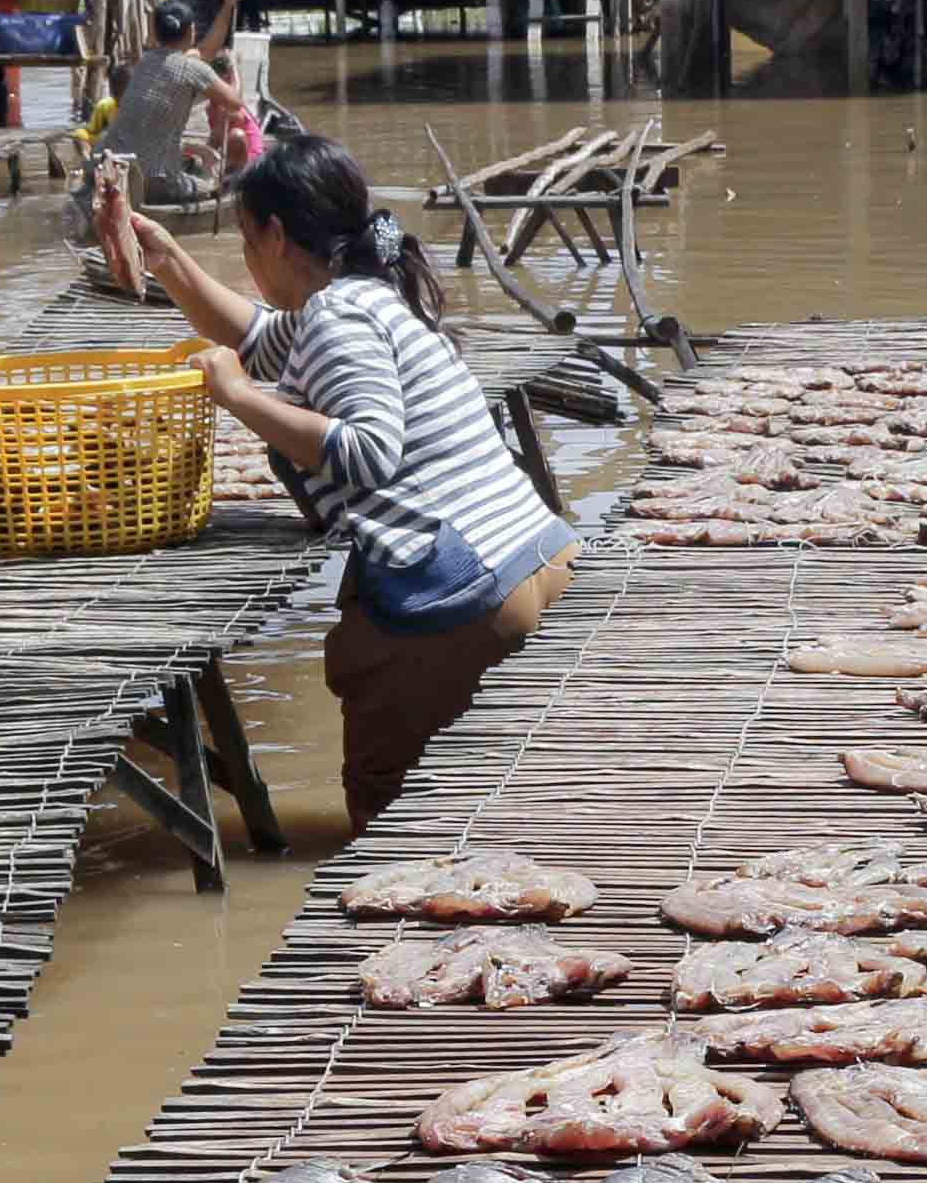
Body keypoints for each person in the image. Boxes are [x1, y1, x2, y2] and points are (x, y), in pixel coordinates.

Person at [92, 135, 574, 828]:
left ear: (277, 234)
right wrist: (167, 260)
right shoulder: (358, 300)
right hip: (529, 554)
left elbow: (368, 451)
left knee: (389, 823)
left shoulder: (337, 317)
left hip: (463, 589)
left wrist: (237, 398)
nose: (249, 259)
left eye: (247, 240)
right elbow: (257, 337)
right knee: (483, 805)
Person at [100, 0, 244, 204]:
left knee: (190, 163)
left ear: (156, 34)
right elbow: (235, 103)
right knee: (218, 184)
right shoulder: (192, 68)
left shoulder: (145, 61)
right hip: (157, 182)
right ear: (191, 31)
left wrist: (197, 148)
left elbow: (150, 133)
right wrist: (234, 70)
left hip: (115, 171)